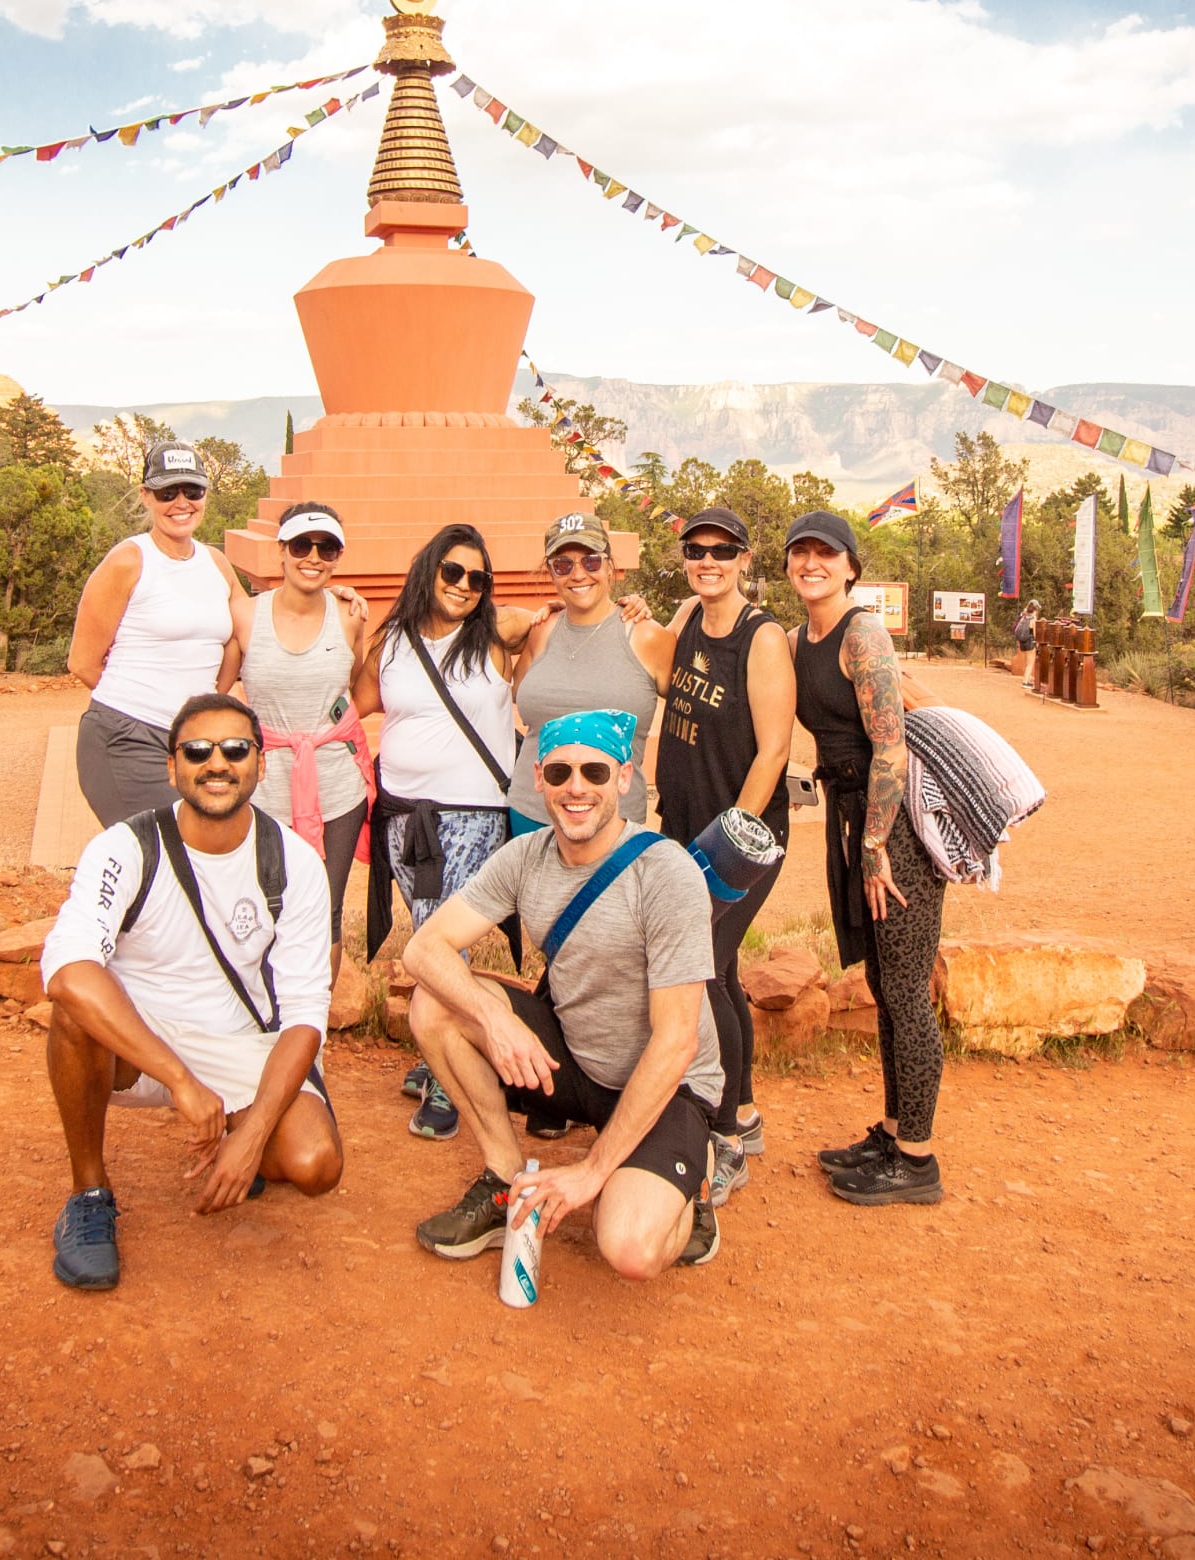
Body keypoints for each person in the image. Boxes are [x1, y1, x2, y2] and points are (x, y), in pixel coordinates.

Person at [38, 693, 343, 1291]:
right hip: (140, 1039)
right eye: (197, 750)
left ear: (259, 762)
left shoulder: (295, 862)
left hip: (240, 1038)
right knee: (75, 1013)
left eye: (236, 749)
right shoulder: (125, 848)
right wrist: (181, 1081)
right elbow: (68, 970)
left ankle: (239, 1131)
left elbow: (307, 1014)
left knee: (315, 1165)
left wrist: (253, 1137)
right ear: (171, 767)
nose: (217, 763)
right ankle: (89, 1194)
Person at [404, 709, 723, 1278]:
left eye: (595, 773)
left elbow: (676, 1042)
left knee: (630, 1249)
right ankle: (504, 1178)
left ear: (624, 779)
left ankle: (687, 1188)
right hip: (576, 1063)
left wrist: (591, 1173)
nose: (576, 788)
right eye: (560, 773)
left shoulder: (665, 873)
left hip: (665, 1086)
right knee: (435, 1004)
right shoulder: (527, 857)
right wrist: (492, 1019)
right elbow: (423, 950)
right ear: (539, 781)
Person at [353, 523, 545, 1140]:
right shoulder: (392, 643)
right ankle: (438, 1043)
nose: (464, 585)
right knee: (428, 934)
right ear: (428, 570)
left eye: (477, 577)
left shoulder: (495, 634)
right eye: (452, 572)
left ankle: (448, 1079)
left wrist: (636, 605)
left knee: (441, 942)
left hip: (472, 815)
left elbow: (562, 610)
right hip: (402, 816)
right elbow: (353, 704)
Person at [784, 509, 947, 1207]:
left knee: (906, 987)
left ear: (851, 566)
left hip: (895, 828)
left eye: (826, 553)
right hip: (853, 821)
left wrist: (877, 847)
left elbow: (891, 746)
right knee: (883, 980)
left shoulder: (863, 633)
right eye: (800, 553)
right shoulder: (800, 639)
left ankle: (918, 1161)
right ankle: (892, 1130)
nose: (811, 563)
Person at [653, 506, 794, 1203]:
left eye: (721, 550)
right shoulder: (686, 622)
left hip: (740, 841)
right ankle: (745, 1108)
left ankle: (727, 1135)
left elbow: (773, 750)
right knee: (723, 969)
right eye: (696, 550)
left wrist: (730, 841)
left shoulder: (758, 636)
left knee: (700, 967)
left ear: (744, 558)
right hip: (681, 826)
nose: (707, 560)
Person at [65, 442, 252, 827]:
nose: (181, 502)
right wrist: (144, 704)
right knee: (161, 853)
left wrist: (327, 596)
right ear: (146, 496)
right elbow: (82, 662)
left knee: (194, 857)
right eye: (168, 493)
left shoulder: (215, 562)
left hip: (192, 740)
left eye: (192, 491)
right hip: (126, 738)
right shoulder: (129, 560)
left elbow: (245, 632)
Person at [238, 502, 371, 961]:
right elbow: (214, 696)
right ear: (281, 550)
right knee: (265, 903)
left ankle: (313, 1026)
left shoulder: (351, 616)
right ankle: (266, 1015)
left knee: (327, 908)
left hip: (337, 783)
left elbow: (353, 690)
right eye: (301, 545)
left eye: (327, 548)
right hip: (265, 784)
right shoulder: (243, 616)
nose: (313, 557)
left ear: (338, 557)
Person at [506, 510, 672, 835]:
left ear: (611, 566)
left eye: (591, 561)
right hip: (531, 813)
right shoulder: (541, 629)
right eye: (563, 565)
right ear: (551, 573)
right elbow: (515, 690)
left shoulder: (647, 636)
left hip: (611, 822)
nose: (578, 574)